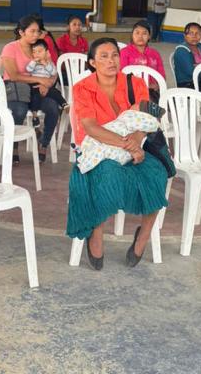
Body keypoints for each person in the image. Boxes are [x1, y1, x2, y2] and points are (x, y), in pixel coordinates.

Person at [66, 38, 169, 270]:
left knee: (156, 173)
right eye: (103, 56)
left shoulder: (134, 83)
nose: (111, 60)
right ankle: (97, 231)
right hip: (102, 146)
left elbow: (146, 119)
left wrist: (137, 141)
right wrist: (129, 146)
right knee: (107, 172)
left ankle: (143, 236)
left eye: (114, 55)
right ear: (92, 62)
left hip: (134, 143)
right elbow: (91, 127)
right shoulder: (83, 88)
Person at [0, 15, 61, 163]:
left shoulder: (41, 48)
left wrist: (48, 84)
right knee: (19, 111)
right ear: (21, 32)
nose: (36, 35)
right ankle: (13, 147)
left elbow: (52, 72)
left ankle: (43, 144)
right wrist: (40, 79)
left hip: (37, 89)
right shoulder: (10, 48)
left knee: (53, 108)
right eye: (32, 31)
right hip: (16, 87)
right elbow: (13, 75)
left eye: (38, 31)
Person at [120, 20, 166, 101]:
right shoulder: (124, 52)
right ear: (132, 35)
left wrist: (156, 85)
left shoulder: (155, 54)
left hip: (152, 91)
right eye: (137, 33)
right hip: (131, 92)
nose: (140, 36)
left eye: (144, 33)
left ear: (149, 36)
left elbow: (161, 75)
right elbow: (122, 75)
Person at [172, 22, 201, 88]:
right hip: (188, 84)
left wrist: (200, 66)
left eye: (198, 33)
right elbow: (193, 72)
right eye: (191, 33)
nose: (194, 36)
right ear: (185, 35)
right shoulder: (181, 51)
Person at [27, 40, 69, 111]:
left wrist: (46, 64)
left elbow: (53, 73)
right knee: (34, 97)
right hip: (35, 84)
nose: (37, 54)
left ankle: (64, 104)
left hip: (46, 84)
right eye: (34, 52)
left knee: (55, 92)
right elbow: (28, 69)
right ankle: (34, 114)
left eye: (40, 51)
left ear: (46, 52)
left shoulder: (49, 63)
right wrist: (33, 62)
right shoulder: (33, 63)